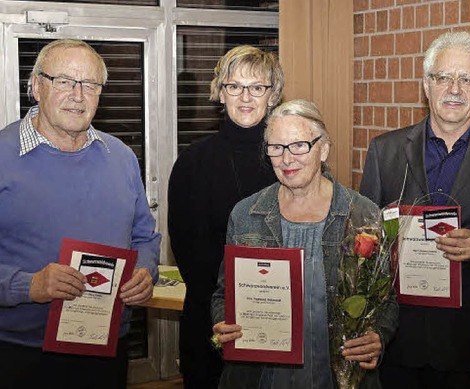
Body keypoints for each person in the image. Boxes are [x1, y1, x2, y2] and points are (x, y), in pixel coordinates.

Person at [359, 31, 470, 389]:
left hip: (468, 344)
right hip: (396, 339)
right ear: (426, 85)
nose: (455, 88)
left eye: (468, 79)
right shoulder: (385, 152)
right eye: (443, 77)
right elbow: (364, 245)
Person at [0, 39, 160, 389]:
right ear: (36, 86)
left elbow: (144, 237)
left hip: (105, 347)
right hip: (19, 353)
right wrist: (29, 285)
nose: (78, 94)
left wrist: (146, 270)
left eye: (90, 85)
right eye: (64, 81)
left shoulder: (120, 157)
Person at [210, 99, 399, 388]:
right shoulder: (246, 214)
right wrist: (223, 324)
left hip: (337, 375)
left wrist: (378, 336)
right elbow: (224, 295)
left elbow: (387, 300)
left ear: (323, 149)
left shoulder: (362, 213)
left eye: (299, 146)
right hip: (261, 376)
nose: (286, 159)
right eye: (276, 148)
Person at [168, 45, 283, 388]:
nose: (245, 96)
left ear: (272, 95)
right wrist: (230, 306)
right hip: (210, 319)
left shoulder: (291, 156)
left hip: (280, 316)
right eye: (234, 86)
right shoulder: (193, 162)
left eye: (257, 87)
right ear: (220, 92)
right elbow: (188, 250)